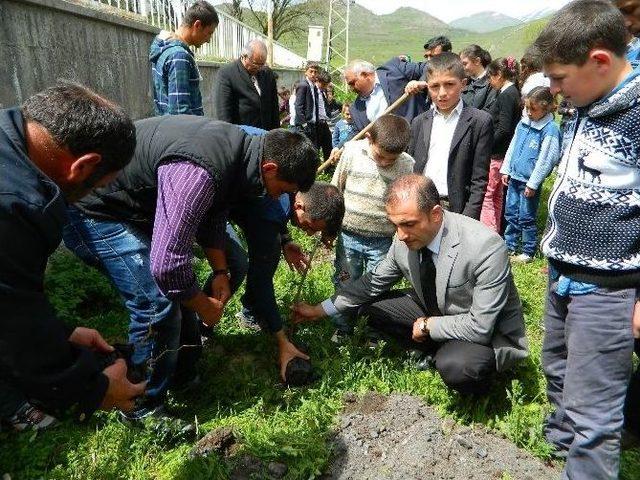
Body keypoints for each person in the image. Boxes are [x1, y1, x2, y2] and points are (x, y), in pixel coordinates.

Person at [63, 120, 319, 421]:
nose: (277, 199)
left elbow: (214, 212)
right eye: (282, 191)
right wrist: (203, 305)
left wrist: (221, 271)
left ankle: (180, 373)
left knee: (196, 283)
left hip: (138, 207)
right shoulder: (200, 170)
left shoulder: (242, 156)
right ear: (271, 169)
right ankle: (141, 407)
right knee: (156, 302)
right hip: (95, 211)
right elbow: (167, 265)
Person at [293, 175, 528, 395]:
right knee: (368, 308)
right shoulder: (404, 239)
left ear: (435, 214)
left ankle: (481, 379)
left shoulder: (485, 247)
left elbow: (481, 326)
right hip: (435, 307)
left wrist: (428, 326)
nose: (401, 235)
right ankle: (433, 348)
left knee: (458, 367)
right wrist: (319, 309)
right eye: (395, 225)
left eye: (408, 224)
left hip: (482, 331)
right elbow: (370, 284)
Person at [533, 1, 640, 477]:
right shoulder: (583, 102)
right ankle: (559, 444)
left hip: (609, 284)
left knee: (594, 406)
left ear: (599, 61)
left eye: (558, 78)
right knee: (556, 363)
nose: (552, 90)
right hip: (563, 269)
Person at [0, 83, 143, 431]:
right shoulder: (16, 206)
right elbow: (12, 321)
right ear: (83, 165)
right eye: (96, 186)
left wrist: (62, 334)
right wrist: (93, 389)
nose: (91, 194)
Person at [225, 181, 345, 380]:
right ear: (299, 206)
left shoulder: (294, 185)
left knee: (268, 255)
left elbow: (278, 214)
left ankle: (255, 311)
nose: (308, 233)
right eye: (308, 226)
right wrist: (282, 339)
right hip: (215, 211)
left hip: (253, 211)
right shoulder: (271, 210)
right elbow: (263, 280)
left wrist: (286, 239)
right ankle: (201, 326)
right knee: (238, 264)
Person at [330, 115, 415, 334]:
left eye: (391, 159)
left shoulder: (406, 164)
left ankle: (372, 330)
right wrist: (330, 226)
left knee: (377, 287)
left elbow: (405, 204)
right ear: (369, 138)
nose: (386, 162)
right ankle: (343, 327)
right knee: (345, 282)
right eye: (381, 156)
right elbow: (336, 189)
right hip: (349, 236)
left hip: (382, 241)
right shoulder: (351, 152)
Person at [406, 52, 494, 219]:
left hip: (454, 207)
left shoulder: (479, 122)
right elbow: (411, 165)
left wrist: (468, 218)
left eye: (449, 84)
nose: (442, 93)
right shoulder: (419, 122)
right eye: (435, 86)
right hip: (420, 203)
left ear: (463, 84)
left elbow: (479, 180)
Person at [500, 87, 561, 263]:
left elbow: (546, 159)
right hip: (515, 177)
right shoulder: (523, 123)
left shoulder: (550, 130)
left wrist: (533, 183)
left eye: (533, 109)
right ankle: (509, 246)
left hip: (528, 182)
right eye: (527, 108)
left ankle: (528, 251)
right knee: (511, 213)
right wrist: (506, 168)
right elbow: (512, 146)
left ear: (547, 108)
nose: (529, 112)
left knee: (526, 216)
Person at [149, 0, 218, 116]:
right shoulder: (179, 57)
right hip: (183, 132)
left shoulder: (165, 49)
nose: (208, 40)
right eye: (209, 33)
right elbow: (179, 113)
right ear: (197, 25)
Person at [480, 57, 521, 233]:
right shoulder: (514, 92)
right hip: (505, 153)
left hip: (497, 153)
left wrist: (486, 146)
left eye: (490, 77)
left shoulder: (506, 95)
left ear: (498, 75)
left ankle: (487, 233)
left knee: (488, 196)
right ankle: (495, 231)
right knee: (497, 195)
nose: (490, 81)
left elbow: (503, 128)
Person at [345, 58, 429, 134]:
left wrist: (419, 82)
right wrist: (340, 147)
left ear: (365, 75)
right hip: (388, 150)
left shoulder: (394, 69)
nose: (351, 88)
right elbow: (356, 134)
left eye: (352, 83)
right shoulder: (355, 109)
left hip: (418, 137)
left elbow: (428, 66)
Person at [214, 39, 280, 130]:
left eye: (262, 64)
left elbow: (274, 107)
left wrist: (276, 134)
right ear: (244, 56)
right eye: (255, 64)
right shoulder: (227, 74)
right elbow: (224, 113)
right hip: (243, 136)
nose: (259, 68)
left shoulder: (267, 74)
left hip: (266, 136)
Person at [294, 62, 324, 150]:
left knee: (313, 151)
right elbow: (298, 106)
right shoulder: (303, 85)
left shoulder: (313, 87)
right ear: (306, 72)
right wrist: (304, 124)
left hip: (313, 125)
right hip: (305, 126)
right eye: (311, 71)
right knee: (304, 151)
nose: (313, 74)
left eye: (315, 72)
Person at [460, 44, 496, 110]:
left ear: (477, 61)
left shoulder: (491, 83)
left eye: (465, 64)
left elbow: (489, 110)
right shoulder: (465, 83)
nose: (462, 68)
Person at [314, 69, 334, 160]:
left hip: (324, 122)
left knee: (328, 144)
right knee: (315, 147)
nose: (325, 86)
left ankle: (328, 168)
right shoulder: (312, 91)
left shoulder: (323, 92)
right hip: (316, 123)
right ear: (318, 81)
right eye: (323, 84)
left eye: (326, 84)